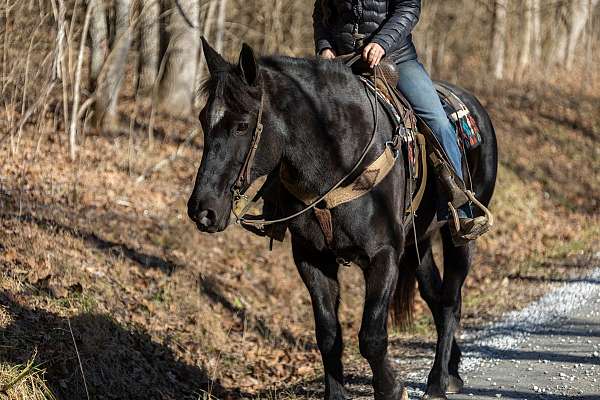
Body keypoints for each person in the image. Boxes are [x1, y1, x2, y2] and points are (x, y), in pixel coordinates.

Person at [313, 0, 489, 244]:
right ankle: (281, 210)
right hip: (341, 64)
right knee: (298, 118)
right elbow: (321, 11)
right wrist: (324, 47)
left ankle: (460, 209)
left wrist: (381, 43)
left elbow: (409, 8)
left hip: (395, 59)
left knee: (438, 121)